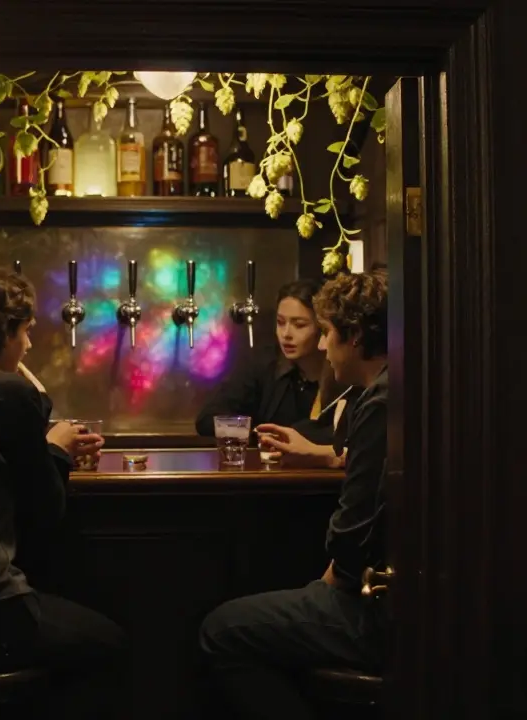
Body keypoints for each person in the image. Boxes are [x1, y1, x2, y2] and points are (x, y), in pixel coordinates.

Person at [0, 266, 128, 718]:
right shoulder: (5, 391)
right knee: (111, 647)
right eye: (23, 332)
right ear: (1, 333)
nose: (29, 344)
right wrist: (57, 449)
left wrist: (45, 444)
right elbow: (46, 512)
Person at [199, 269, 391, 720]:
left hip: (378, 610)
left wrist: (328, 580)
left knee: (220, 630)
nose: (322, 347)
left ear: (356, 336)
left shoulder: (378, 405)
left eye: (324, 333)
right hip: (402, 598)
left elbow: (350, 542)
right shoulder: (398, 391)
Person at [194, 279, 356, 448]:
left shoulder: (342, 371)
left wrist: (285, 436)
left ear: (322, 329)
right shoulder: (264, 364)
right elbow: (207, 419)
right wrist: (256, 435)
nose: (286, 334)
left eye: (299, 325)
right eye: (280, 322)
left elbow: (346, 434)